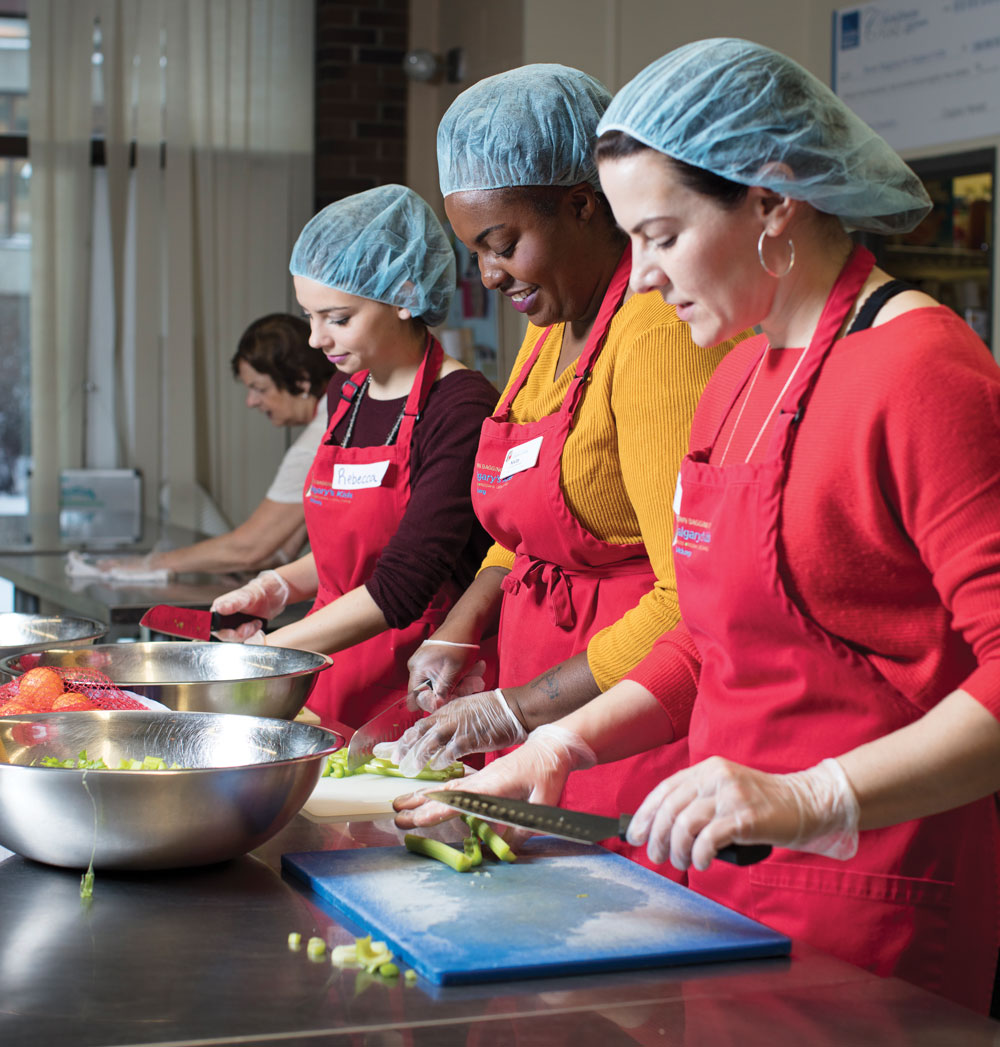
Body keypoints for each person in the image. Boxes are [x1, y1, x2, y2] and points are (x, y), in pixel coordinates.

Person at [396, 39, 1000, 1013]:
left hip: (872, 897)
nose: (639, 280)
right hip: (716, 880)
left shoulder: (920, 373)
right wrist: (565, 743)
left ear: (772, 202)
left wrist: (812, 797)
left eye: (662, 237)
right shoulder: (731, 383)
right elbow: (705, 644)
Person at [386, 64, 746, 870]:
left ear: (586, 206)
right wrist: (462, 625)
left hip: (621, 730)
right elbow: (529, 518)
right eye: (473, 250)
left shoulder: (655, 332)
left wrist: (518, 710)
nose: (486, 275)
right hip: (544, 712)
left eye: (502, 244)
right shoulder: (551, 321)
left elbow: (684, 599)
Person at [210, 184, 497, 730]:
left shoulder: (460, 405)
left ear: (405, 294)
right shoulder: (349, 394)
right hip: (332, 676)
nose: (316, 339)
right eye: (309, 316)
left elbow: (404, 582)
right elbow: (357, 548)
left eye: (337, 318)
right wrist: (281, 585)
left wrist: (265, 655)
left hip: (418, 690)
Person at [65, 314, 332, 582]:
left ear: (301, 380)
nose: (251, 401)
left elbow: (250, 547)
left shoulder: (318, 442)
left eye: (259, 388)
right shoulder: (334, 420)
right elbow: (277, 553)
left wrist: (154, 563)